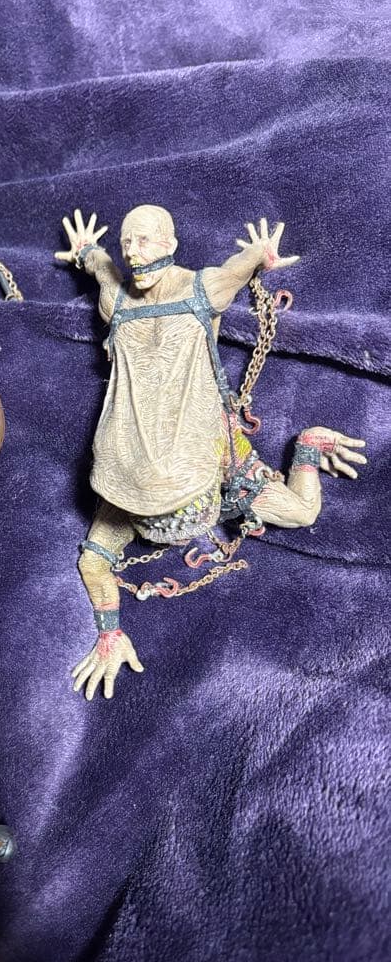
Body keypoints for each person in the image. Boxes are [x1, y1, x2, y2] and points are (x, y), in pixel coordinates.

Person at [57, 206, 366, 700]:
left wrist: (260, 253)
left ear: (170, 243)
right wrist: (110, 634)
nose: (133, 252)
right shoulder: (115, 298)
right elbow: (100, 268)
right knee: (92, 559)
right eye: (128, 242)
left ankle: (308, 446)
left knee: (302, 512)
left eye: (145, 240)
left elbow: (238, 268)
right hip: (127, 486)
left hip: (216, 469)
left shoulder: (204, 290)